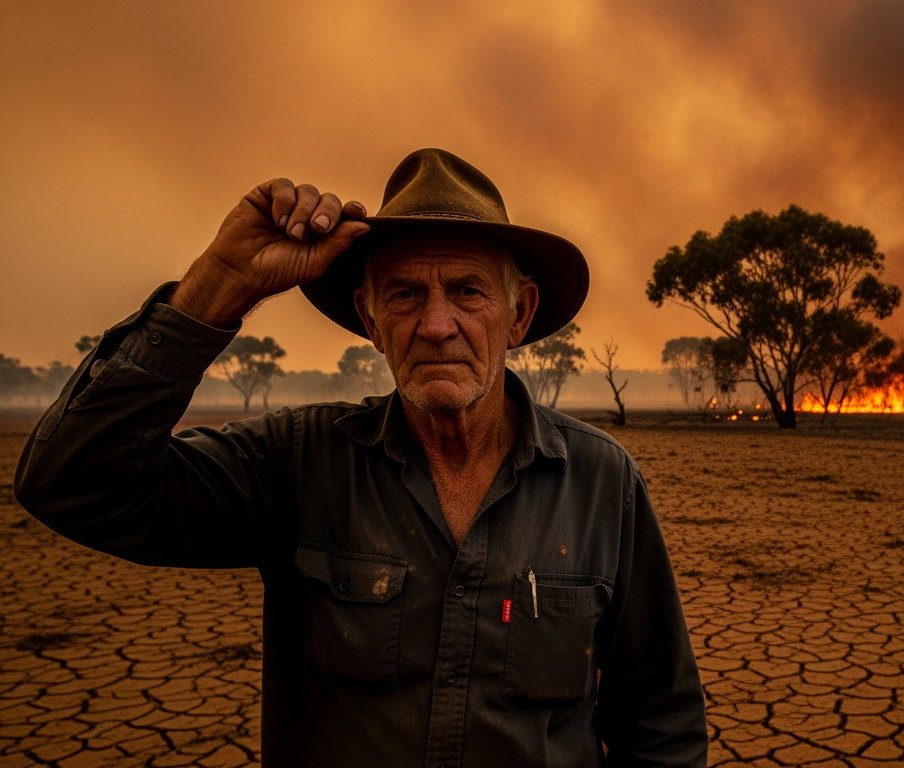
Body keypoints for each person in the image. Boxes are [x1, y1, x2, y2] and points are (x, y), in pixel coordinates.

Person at [15, 148, 707, 767]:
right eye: (405, 295)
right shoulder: (298, 462)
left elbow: (660, 721)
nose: (436, 325)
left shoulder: (601, 482)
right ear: (371, 320)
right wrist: (218, 285)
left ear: (519, 314)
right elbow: (72, 483)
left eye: (467, 291)